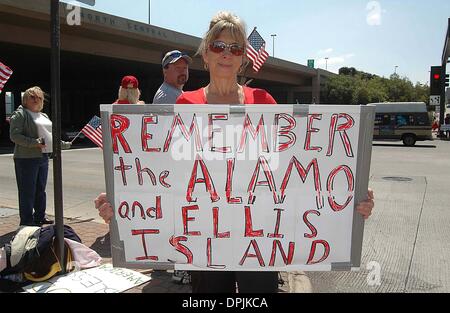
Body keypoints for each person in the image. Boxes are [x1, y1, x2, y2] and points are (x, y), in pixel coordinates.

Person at [95, 11, 375, 293]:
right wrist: (122, 197)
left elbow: (294, 165)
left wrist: (350, 196)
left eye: (235, 48)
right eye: (218, 46)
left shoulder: (264, 102)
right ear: (206, 54)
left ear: (243, 57)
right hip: (205, 236)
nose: (226, 53)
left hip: (259, 236)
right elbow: (167, 170)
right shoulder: (187, 105)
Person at [9, 86, 72, 226]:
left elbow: (49, 137)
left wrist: (63, 144)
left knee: (40, 190)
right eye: (32, 97)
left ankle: (39, 216)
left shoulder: (43, 116)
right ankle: (26, 221)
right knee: (27, 191)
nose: (36, 100)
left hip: (43, 158)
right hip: (25, 159)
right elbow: (14, 136)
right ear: (25, 99)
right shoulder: (20, 115)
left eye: (39, 98)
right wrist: (34, 143)